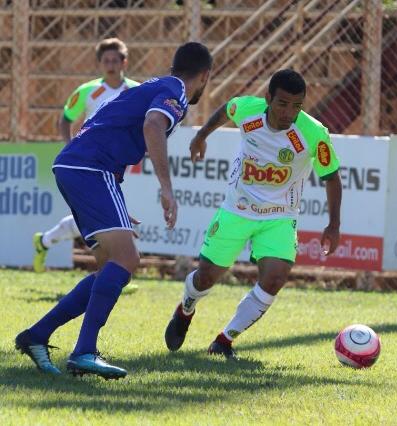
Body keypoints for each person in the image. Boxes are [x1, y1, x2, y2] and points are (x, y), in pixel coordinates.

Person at [16, 42, 213, 379]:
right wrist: (166, 188)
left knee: (110, 266)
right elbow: (153, 126)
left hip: (77, 167)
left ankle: (36, 335)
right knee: (127, 260)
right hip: (91, 169)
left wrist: (117, 205)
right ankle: (85, 352)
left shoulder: (155, 84)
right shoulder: (176, 91)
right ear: (205, 76)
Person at [164, 69, 342, 360]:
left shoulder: (313, 133)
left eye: (297, 106)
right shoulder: (248, 110)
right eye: (282, 103)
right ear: (268, 98)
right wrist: (201, 136)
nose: (289, 112)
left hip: (280, 217)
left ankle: (224, 340)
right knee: (206, 277)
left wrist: (333, 224)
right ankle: (186, 308)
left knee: (275, 278)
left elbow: (332, 177)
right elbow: (227, 110)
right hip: (237, 210)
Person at [33, 37, 139, 273]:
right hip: (92, 163)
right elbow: (66, 119)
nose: (110, 64)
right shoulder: (88, 91)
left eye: (115, 60)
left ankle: (45, 241)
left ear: (124, 62)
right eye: (106, 60)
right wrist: (70, 146)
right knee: (101, 214)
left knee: (103, 214)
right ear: (100, 63)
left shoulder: (135, 90)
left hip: (120, 163)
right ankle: (113, 270)